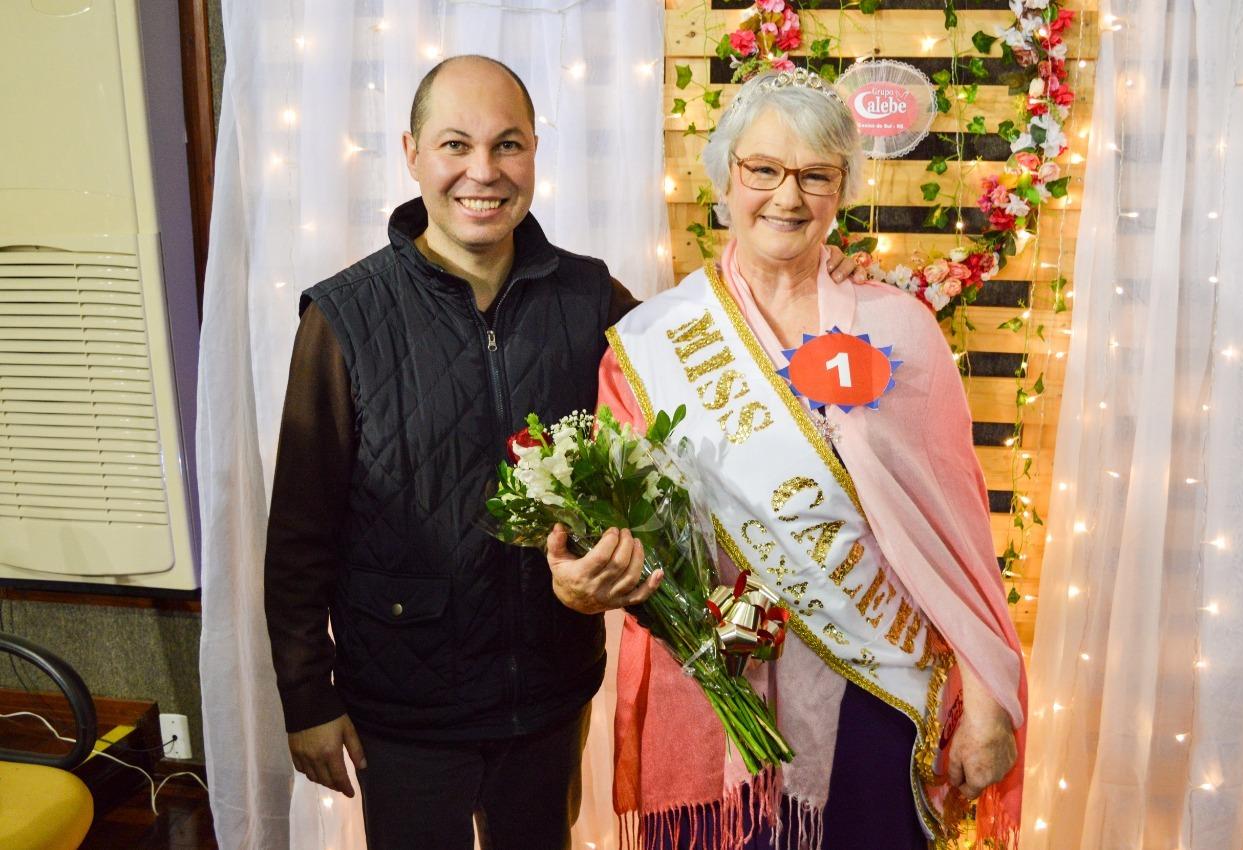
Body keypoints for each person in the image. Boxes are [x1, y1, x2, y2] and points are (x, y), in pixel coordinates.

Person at [263, 56, 862, 850]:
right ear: (411, 153)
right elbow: (299, 534)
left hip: (547, 698)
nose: (483, 171)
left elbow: (712, 357)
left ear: (536, 151)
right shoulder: (344, 317)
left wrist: (824, 284)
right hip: (404, 711)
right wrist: (307, 698)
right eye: (456, 146)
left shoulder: (589, 298)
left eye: (508, 145)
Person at [551, 69, 1026, 849]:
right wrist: (588, 577)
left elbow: (958, 546)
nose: (787, 197)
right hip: (716, 699)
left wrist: (986, 701)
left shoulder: (899, 330)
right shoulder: (653, 340)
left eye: (815, 175)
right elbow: (622, 527)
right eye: (763, 170)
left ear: (842, 190)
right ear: (725, 178)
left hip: (875, 688)